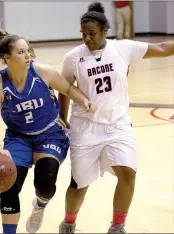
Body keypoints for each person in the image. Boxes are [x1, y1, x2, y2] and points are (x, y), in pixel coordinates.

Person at [58, 2, 174, 233]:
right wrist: (64, 119)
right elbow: (65, 89)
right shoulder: (73, 58)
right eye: (83, 34)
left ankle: (117, 225)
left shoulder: (122, 48)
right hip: (85, 126)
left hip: (117, 124)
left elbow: (161, 48)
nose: (87, 38)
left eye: (92, 33)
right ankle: (69, 222)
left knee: (128, 173)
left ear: (104, 31)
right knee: (80, 184)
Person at [0, 29, 96, 234]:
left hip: (50, 133)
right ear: (6, 57)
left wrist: (85, 101)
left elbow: (68, 89)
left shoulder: (43, 72)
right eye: (21, 52)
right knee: (9, 187)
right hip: (18, 138)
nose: (27, 55)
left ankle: (40, 205)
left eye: (28, 51)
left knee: (45, 183)